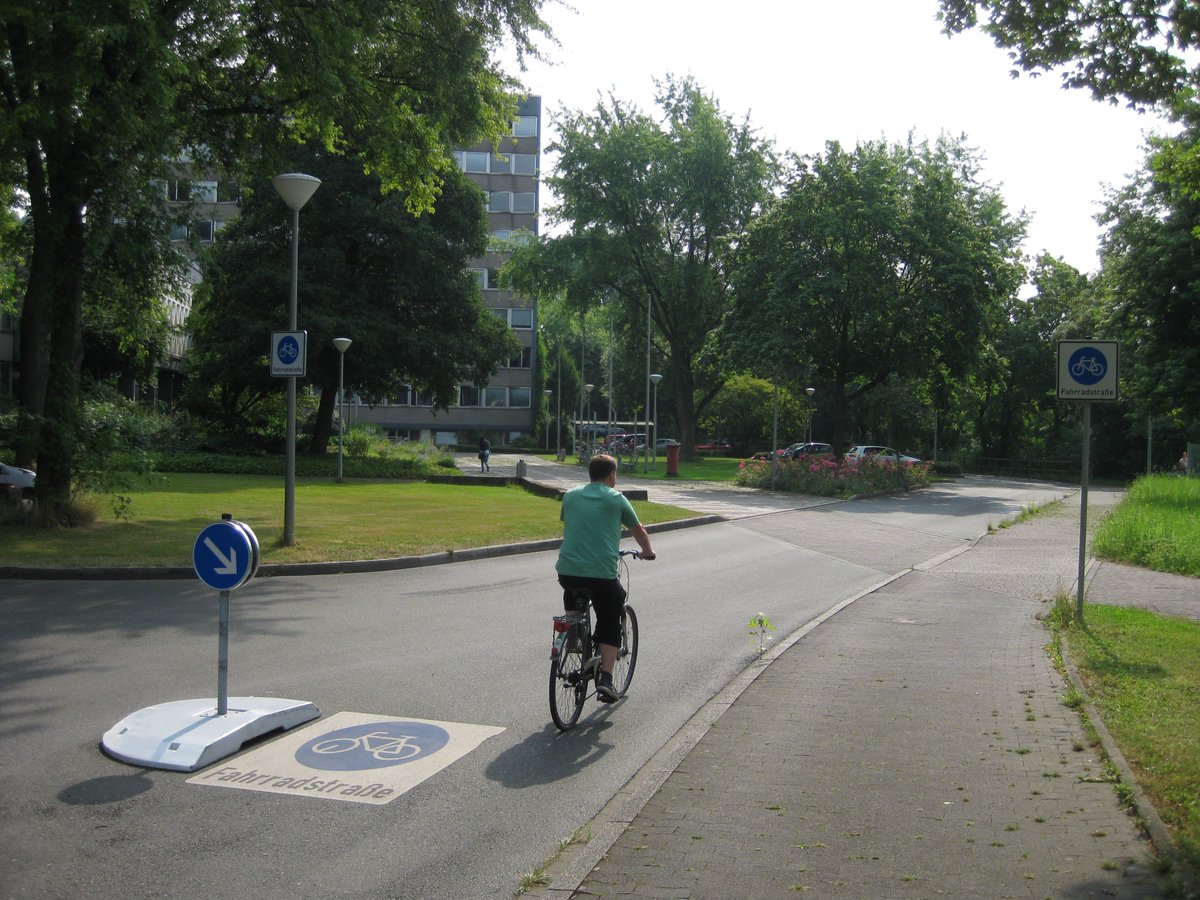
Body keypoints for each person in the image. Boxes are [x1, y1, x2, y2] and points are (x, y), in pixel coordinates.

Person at [556, 453, 655, 702]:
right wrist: (647, 552)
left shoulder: (570, 496)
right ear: (612, 475)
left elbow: (575, 523)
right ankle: (607, 680)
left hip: (567, 571)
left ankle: (573, 634)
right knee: (611, 616)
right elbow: (638, 530)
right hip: (601, 574)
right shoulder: (616, 499)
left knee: (574, 593)